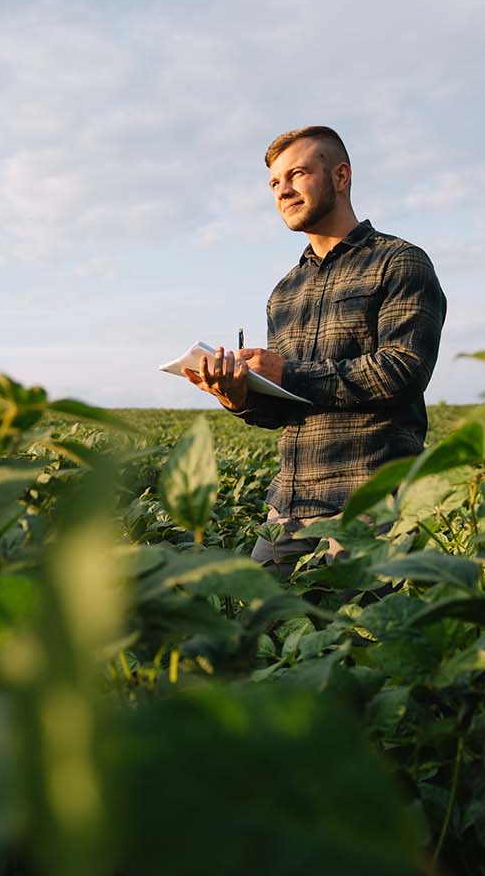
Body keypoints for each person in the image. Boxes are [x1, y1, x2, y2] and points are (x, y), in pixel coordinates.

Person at [184, 126, 446, 573]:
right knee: (265, 629)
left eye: (297, 174)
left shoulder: (399, 261)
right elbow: (288, 409)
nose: (282, 190)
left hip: (372, 501)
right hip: (288, 506)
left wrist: (288, 372)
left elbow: (402, 370)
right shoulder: (284, 291)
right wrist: (239, 396)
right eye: (274, 183)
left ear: (340, 177)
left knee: (359, 635)